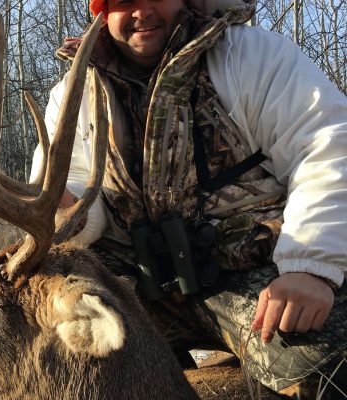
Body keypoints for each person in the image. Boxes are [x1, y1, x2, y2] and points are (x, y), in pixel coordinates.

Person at [30, 0, 347, 398]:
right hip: (138, 284)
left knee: (326, 370)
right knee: (61, 359)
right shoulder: (73, 92)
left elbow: (326, 147)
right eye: (124, 2)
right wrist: (62, 207)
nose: (141, 13)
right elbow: (82, 208)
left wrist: (310, 267)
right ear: (102, 12)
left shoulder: (250, 56)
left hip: (256, 276)